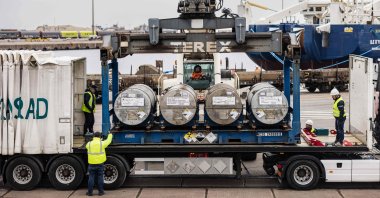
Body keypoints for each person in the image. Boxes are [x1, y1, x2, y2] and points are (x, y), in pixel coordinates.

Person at [86, 132, 113, 196]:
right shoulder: (102, 143)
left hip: (91, 163)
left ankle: (90, 192)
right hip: (100, 163)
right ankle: (101, 192)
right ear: (100, 137)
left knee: (91, 177)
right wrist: (110, 134)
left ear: (93, 136)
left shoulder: (89, 144)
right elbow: (108, 141)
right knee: (100, 177)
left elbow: (87, 147)